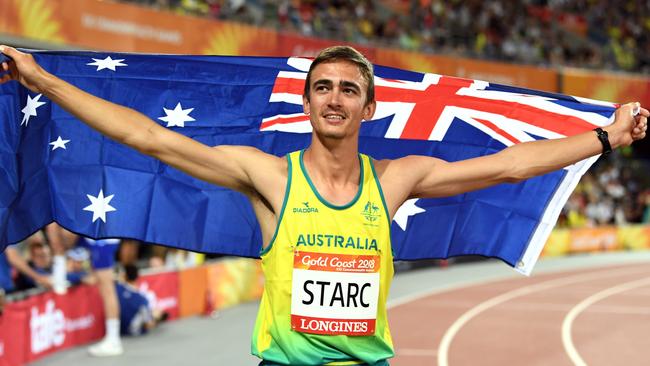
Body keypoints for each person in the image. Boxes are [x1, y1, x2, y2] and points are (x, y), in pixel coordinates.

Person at [0, 45, 646, 365]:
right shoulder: (271, 180)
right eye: (322, 89)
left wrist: (602, 137)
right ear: (306, 105)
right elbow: (148, 137)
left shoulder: (394, 180)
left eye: (348, 90)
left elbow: (507, 163)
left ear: (370, 107)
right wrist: (43, 80)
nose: (334, 99)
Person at [116, 264, 167, 336]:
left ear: (124, 276)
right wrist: (155, 321)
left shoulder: (116, 289)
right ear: (137, 277)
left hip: (117, 330)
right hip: (132, 332)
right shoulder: (142, 300)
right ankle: (156, 317)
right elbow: (148, 325)